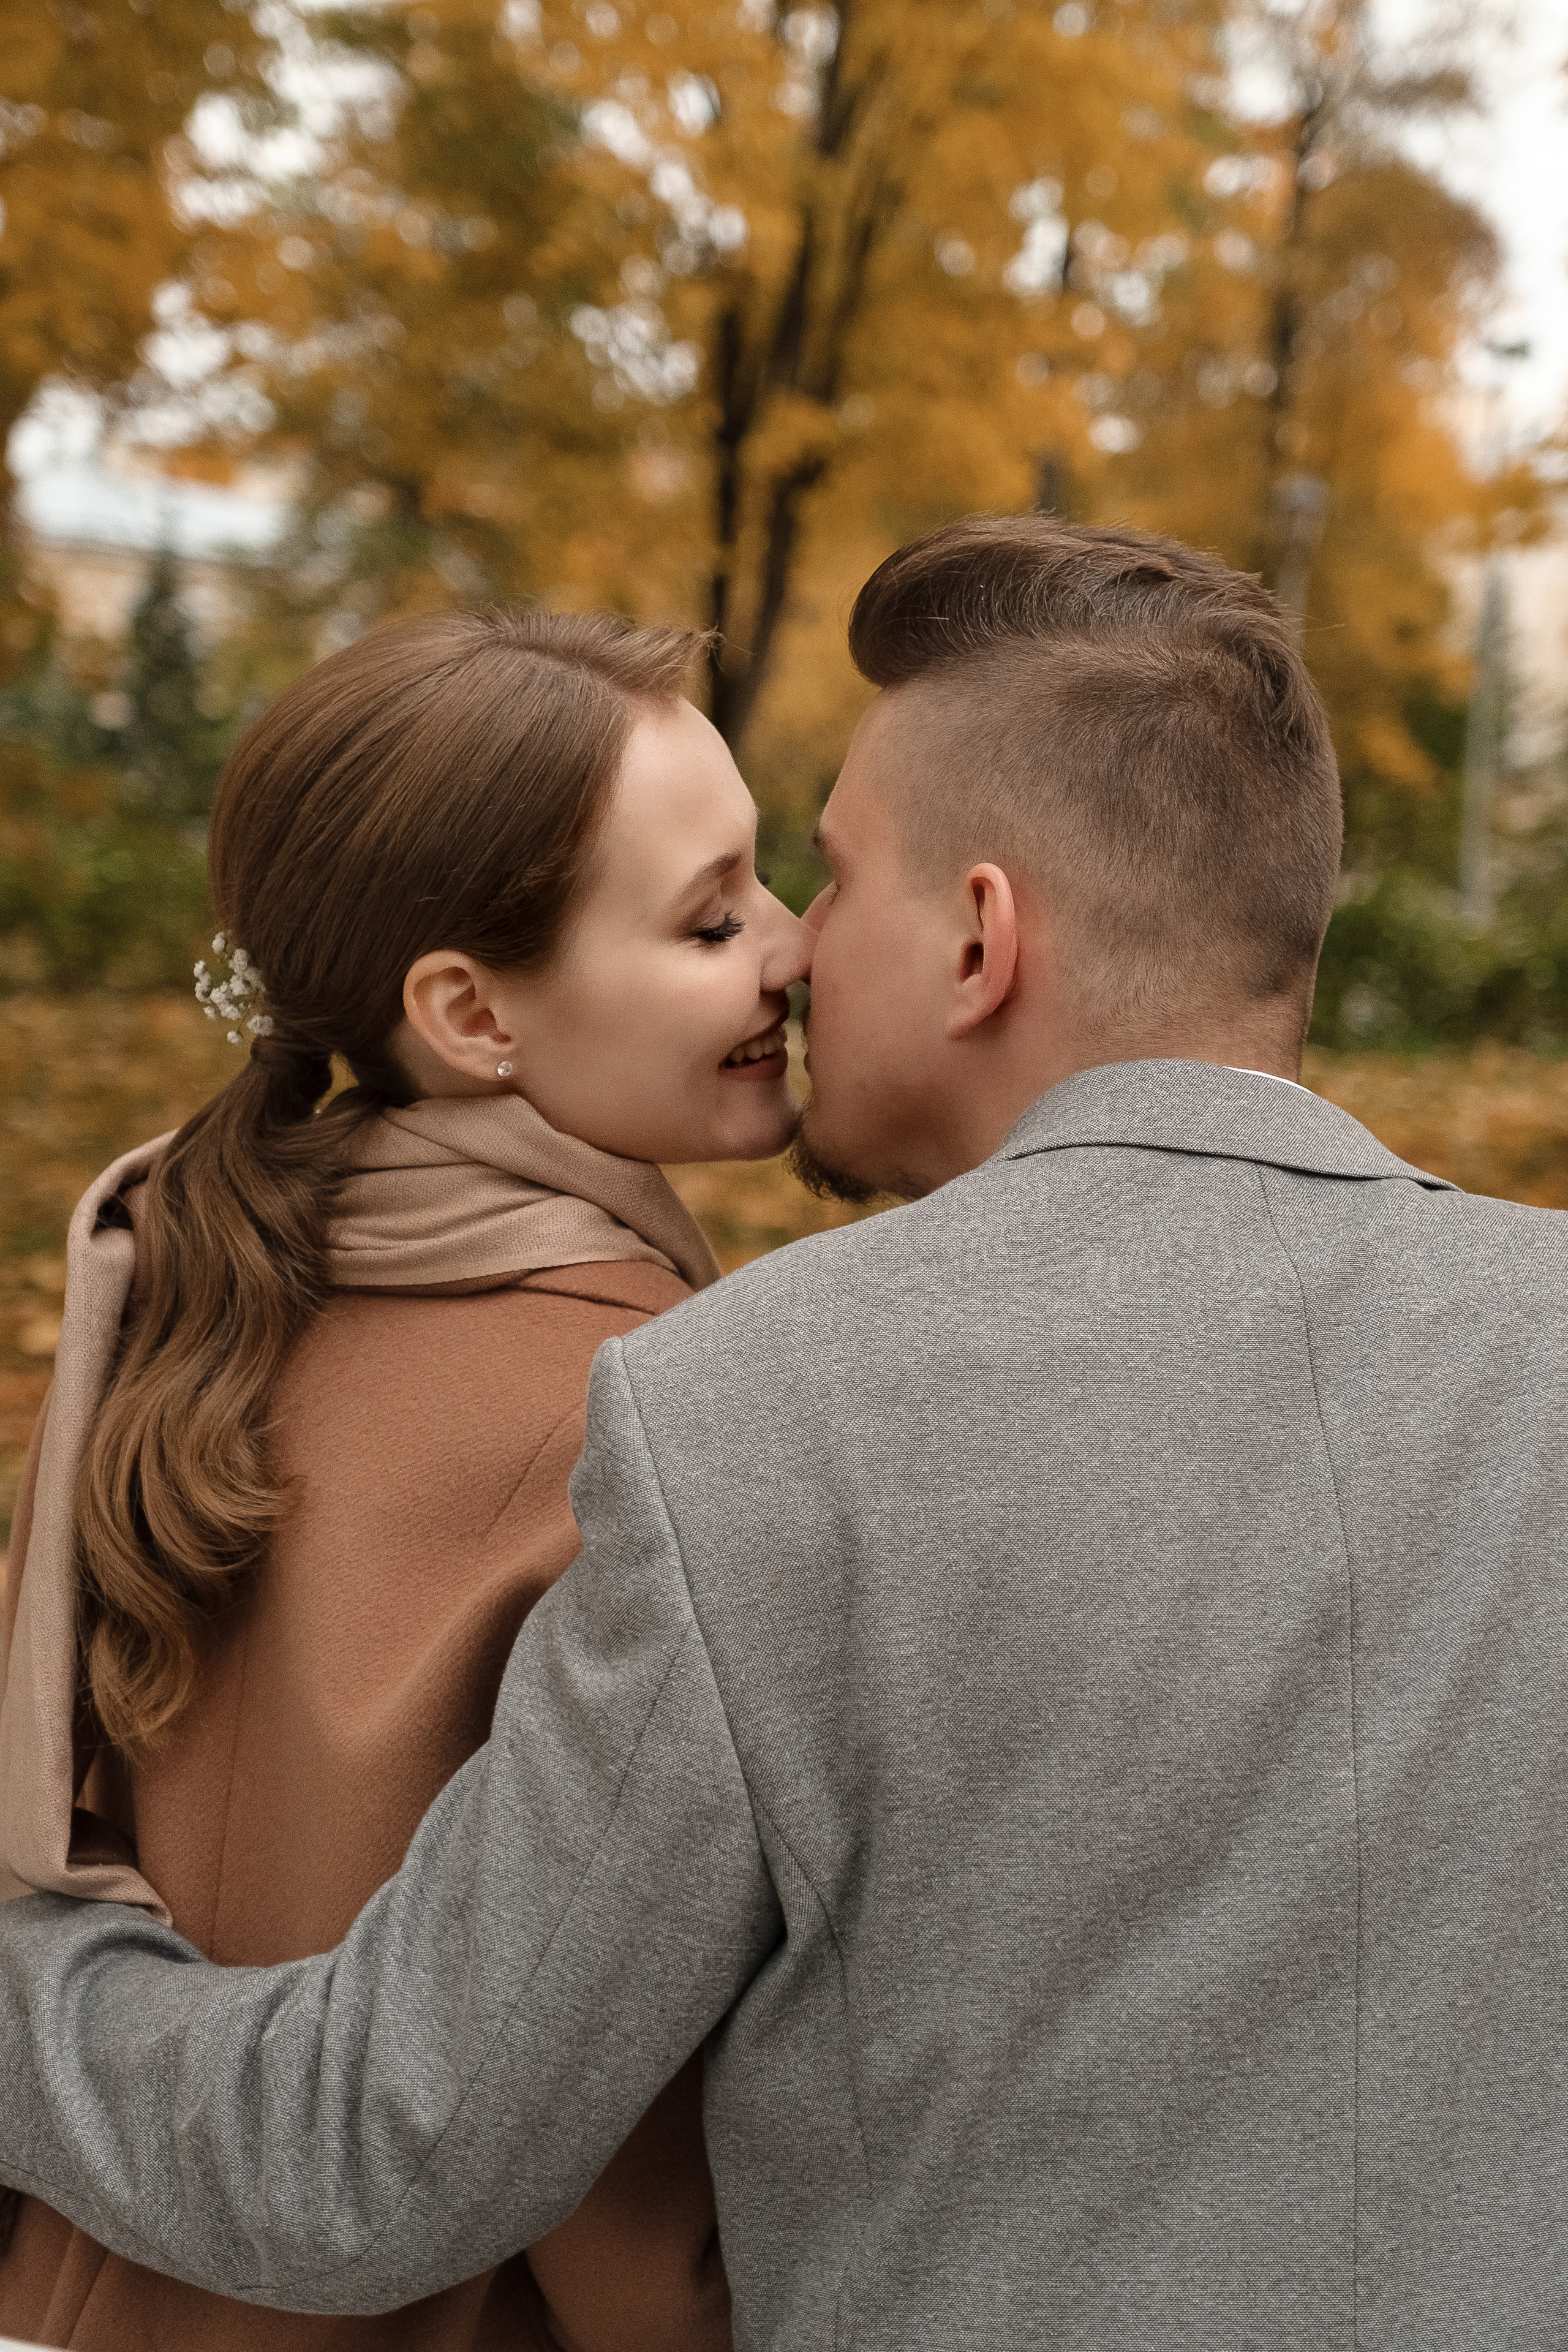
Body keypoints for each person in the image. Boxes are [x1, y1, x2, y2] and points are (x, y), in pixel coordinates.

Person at [6, 513, 1568, 2349]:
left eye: (824, 879)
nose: (798, 953)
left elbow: (396, 2141)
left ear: (982, 937)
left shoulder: (746, 1408)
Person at [0, 607, 809, 2351]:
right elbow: (609, 2139)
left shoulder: (178, 1296)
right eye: (715, 913)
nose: (797, 950)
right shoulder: (630, 1413)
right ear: (469, 1011)